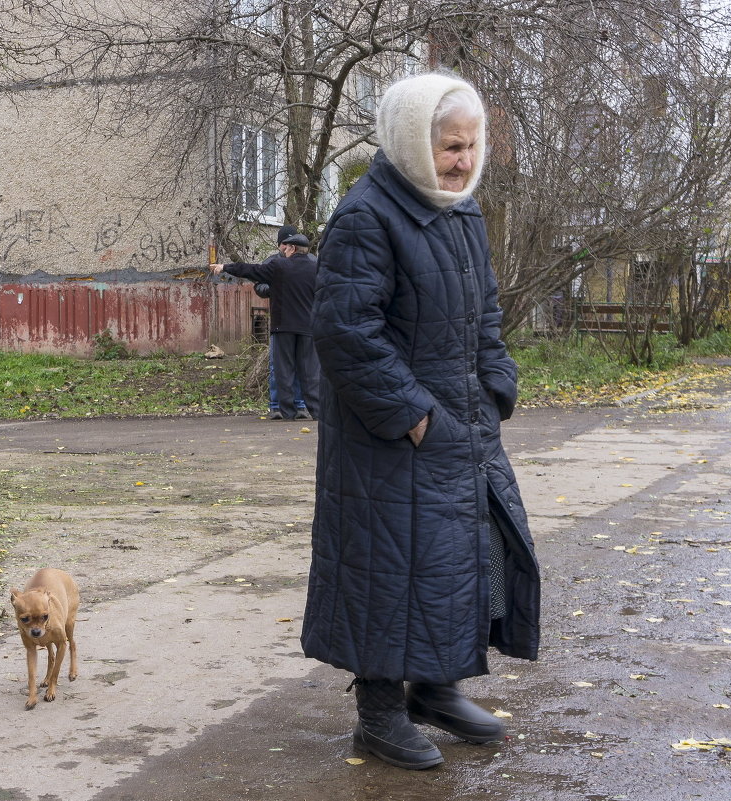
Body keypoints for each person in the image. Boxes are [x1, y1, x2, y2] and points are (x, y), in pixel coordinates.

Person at [301, 72, 541, 770]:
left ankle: (435, 687)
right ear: (411, 140)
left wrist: (496, 385)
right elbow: (345, 330)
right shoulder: (367, 214)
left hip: (463, 423)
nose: (463, 161)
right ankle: (377, 714)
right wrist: (410, 416)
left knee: (460, 559)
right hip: (389, 436)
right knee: (388, 568)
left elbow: (484, 314)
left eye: (471, 145)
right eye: (449, 146)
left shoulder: (460, 209)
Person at [212, 233, 320, 420]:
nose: (283, 251)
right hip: (308, 327)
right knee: (310, 371)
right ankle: (317, 412)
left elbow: (251, 270)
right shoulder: (316, 267)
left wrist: (225, 267)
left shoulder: (279, 266)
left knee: (284, 370)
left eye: (286, 248)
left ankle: (287, 412)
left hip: (283, 327)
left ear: (292, 249)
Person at [256, 225, 309, 420]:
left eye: (290, 243)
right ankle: (276, 405)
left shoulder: (310, 262)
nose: (287, 247)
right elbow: (260, 286)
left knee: (303, 365)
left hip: (304, 323)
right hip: (282, 321)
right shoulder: (272, 262)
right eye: (284, 243)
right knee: (277, 365)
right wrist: (276, 287)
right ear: (279, 245)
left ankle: (300, 405)